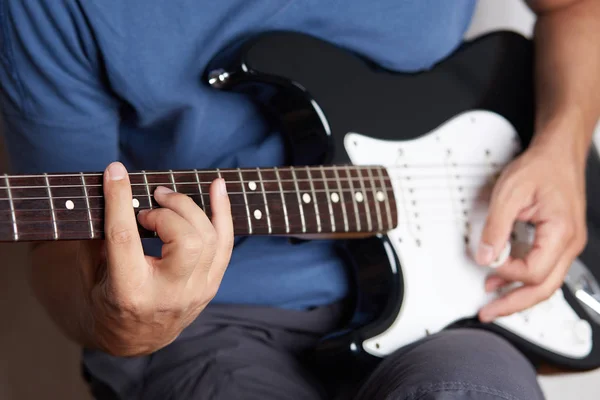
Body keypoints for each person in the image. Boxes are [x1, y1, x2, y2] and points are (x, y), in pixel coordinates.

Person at [0, 0, 599, 398]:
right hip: (209, 322)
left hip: (454, 300)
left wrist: (562, 146)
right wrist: (124, 320)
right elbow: (62, 254)